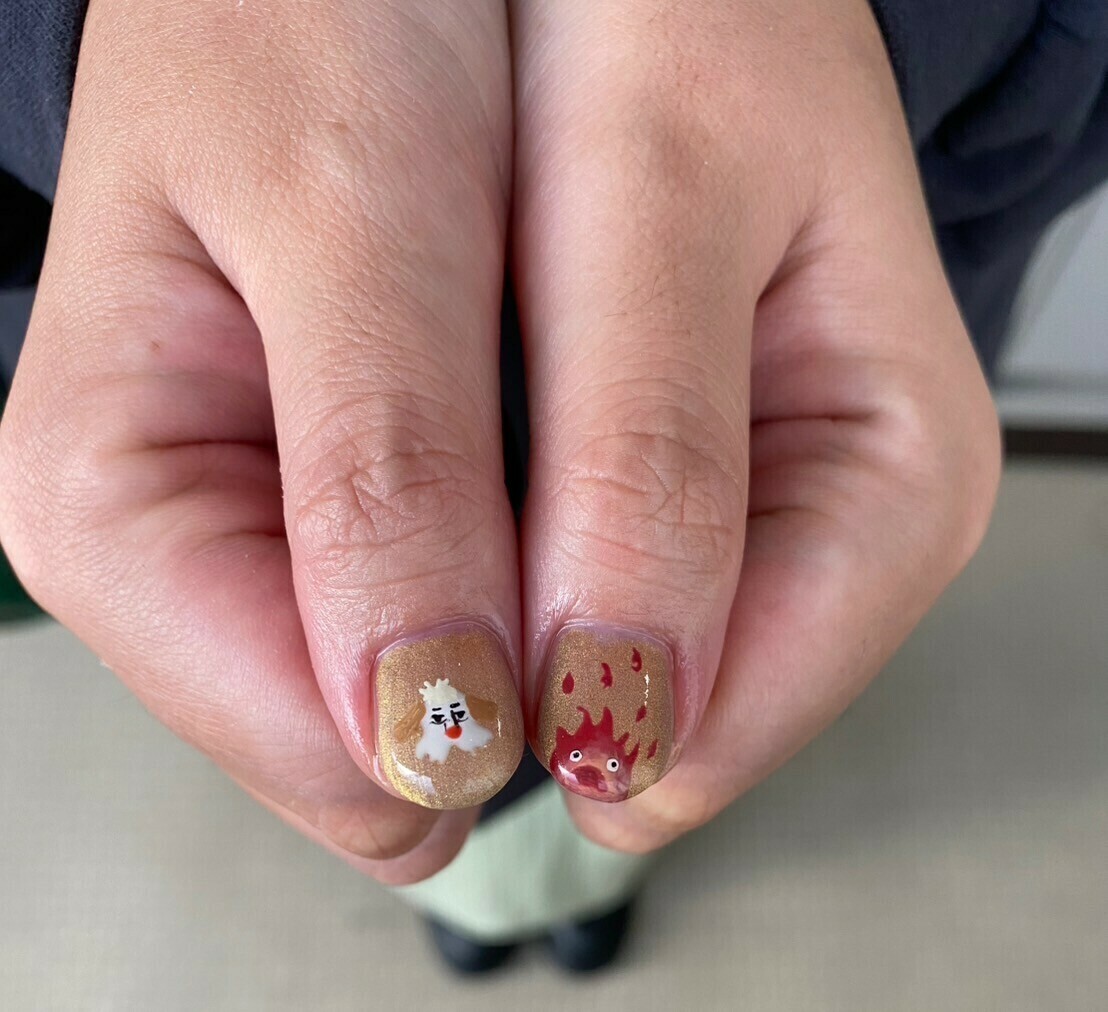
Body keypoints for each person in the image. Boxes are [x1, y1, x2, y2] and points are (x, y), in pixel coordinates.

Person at [1, 0, 1105, 974]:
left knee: (616, 767)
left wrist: (878, 29)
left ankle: (571, 894)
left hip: (768, 443)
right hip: (260, 473)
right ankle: (486, 903)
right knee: (441, 799)